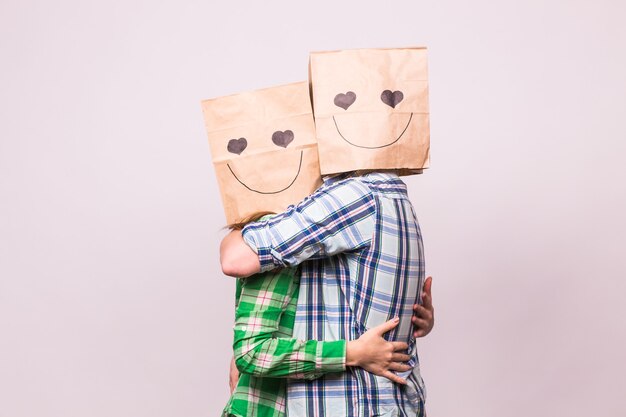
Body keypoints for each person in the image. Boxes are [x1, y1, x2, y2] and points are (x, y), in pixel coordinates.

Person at [221, 171, 430, 416]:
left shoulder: (328, 222)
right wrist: (351, 353)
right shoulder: (273, 246)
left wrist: (409, 314)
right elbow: (251, 351)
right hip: (268, 406)